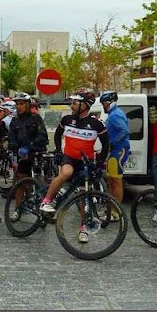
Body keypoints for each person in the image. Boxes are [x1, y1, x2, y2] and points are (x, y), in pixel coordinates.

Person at [39, 90, 109, 243]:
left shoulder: (96, 123)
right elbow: (58, 135)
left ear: (85, 105)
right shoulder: (67, 119)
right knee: (65, 173)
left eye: (75, 103)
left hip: (86, 162)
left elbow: (106, 145)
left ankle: (83, 228)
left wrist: (99, 164)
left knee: (83, 196)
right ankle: (46, 201)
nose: (72, 105)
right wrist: (58, 151)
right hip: (69, 157)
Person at [6, 92, 49, 220]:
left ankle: (44, 208)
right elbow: (11, 138)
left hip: (36, 153)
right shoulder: (15, 120)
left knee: (41, 182)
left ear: (28, 105)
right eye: (17, 104)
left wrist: (30, 146)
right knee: (20, 182)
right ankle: (17, 210)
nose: (18, 107)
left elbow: (43, 136)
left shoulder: (36, 118)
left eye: (21, 104)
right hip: (22, 156)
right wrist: (17, 149)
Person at [100, 91, 130, 207]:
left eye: (103, 104)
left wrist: (112, 143)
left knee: (116, 182)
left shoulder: (115, 115)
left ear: (108, 103)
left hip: (119, 150)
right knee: (111, 181)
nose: (103, 107)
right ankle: (112, 208)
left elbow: (125, 131)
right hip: (115, 151)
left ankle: (116, 211)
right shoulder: (113, 114)